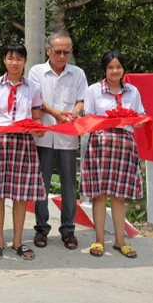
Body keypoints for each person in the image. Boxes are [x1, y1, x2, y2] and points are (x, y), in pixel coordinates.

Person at [0, 43, 45, 261]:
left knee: (20, 196)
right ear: (4, 60)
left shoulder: (33, 88)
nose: (14, 63)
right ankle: (0, 240)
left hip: (23, 144)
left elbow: (37, 118)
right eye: (10, 58)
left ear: (25, 62)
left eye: (19, 59)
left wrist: (38, 129)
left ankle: (18, 241)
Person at [82, 51, 145, 259]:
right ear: (104, 70)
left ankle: (120, 241)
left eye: (118, 67)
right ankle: (99, 240)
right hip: (100, 146)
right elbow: (88, 118)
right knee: (99, 195)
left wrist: (136, 120)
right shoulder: (93, 91)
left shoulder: (132, 91)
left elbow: (140, 116)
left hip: (124, 146)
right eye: (110, 67)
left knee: (119, 196)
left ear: (123, 69)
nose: (115, 71)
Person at [29, 32, 87, 251]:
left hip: (67, 139)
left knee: (69, 186)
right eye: (58, 52)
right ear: (48, 51)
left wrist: (75, 112)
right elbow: (35, 100)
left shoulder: (78, 73)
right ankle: (42, 228)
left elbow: (82, 100)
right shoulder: (36, 72)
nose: (62, 56)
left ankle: (68, 229)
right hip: (43, 137)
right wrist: (54, 113)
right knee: (41, 185)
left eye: (66, 52)